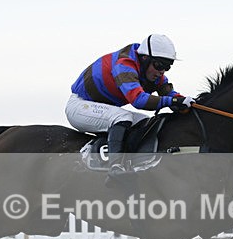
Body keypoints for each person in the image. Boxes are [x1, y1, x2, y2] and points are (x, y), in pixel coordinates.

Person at [65, 34, 195, 186]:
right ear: (145, 59)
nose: (162, 71)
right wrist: (173, 101)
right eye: (160, 65)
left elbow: (168, 93)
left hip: (101, 107)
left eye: (167, 66)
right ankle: (116, 167)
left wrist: (187, 102)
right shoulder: (124, 64)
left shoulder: (152, 71)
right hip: (80, 106)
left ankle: (132, 161)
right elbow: (138, 100)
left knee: (145, 122)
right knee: (123, 117)